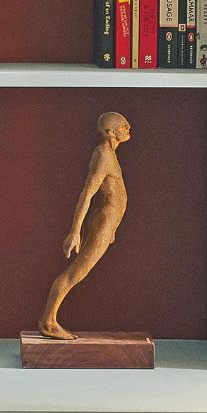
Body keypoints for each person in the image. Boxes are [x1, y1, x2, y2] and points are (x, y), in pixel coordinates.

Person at [37, 111, 131, 339]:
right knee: (75, 273)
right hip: (105, 220)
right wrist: (75, 231)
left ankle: (49, 320)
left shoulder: (109, 153)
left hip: (108, 221)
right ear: (110, 132)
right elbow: (87, 195)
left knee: (77, 272)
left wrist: (112, 227)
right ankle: (48, 322)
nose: (128, 127)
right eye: (122, 126)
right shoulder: (103, 156)